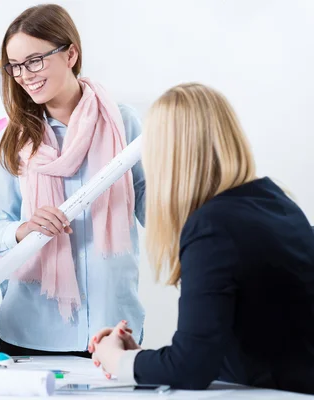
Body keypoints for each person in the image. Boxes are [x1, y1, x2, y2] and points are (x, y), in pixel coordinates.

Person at [89, 83, 314, 395]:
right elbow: (214, 351)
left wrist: (114, 359)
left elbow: (192, 367)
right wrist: (138, 359)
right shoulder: (276, 202)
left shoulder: (212, 227)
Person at [0, 3, 144, 356]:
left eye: (34, 60)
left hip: (111, 323)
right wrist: (23, 229)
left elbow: (157, 209)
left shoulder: (124, 123)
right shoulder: (14, 138)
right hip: (30, 326)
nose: (25, 75)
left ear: (70, 53)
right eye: (15, 67)